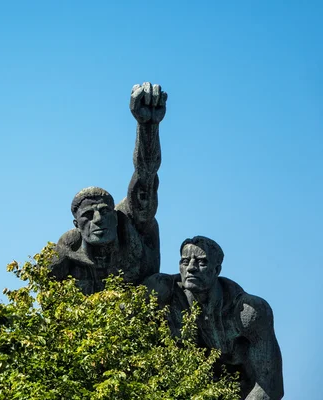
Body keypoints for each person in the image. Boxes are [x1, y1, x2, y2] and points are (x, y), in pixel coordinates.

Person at [49, 82, 166, 294]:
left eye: (104, 212)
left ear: (114, 215)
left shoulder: (132, 223)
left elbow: (146, 175)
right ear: (77, 225)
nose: (98, 219)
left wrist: (148, 125)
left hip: (143, 313)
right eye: (88, 215)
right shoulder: (64, 255)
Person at [144, 236, 283, 400]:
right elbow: (122, 318)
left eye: (201, 262)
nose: (191, 268)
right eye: (185, 261)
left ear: (217, 270)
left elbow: (270, 386)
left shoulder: (248, 312)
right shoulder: (162, 290)